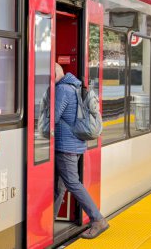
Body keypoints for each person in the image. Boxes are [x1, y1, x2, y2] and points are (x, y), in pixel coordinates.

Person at [53, 63, 109, 239]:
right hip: (74, 144)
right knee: (60, 186)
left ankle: (97, 219)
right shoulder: (75, 86)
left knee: (72, 183)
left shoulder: (62, 89)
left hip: (66, 145)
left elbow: (53, 116)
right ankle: (50, 220)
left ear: (54, 75)